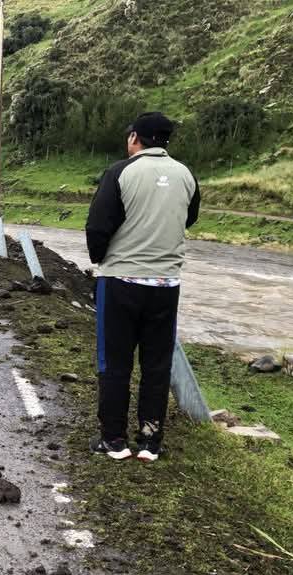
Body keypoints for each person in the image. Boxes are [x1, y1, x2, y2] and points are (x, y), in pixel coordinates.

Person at [85, 112, 200, 462]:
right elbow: (190, 218)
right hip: (166, 284)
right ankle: (150, 441)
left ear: (135, 138)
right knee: (156, 365)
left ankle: (114, 440)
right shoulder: (186, 174)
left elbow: (98, 225)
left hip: (120, 281)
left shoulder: (121, 172)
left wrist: (100, 258)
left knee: (115, 362)